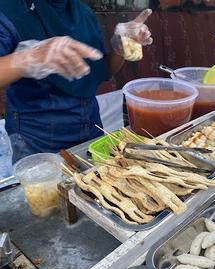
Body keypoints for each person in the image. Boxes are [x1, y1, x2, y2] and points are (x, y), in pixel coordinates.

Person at [0, 1, 153, 162]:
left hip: (91, 131)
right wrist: (28, 58)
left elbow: (102, 71)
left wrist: (121, 46)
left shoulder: (83, 14)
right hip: (37, 140)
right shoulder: (9, 10)